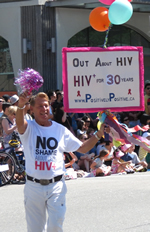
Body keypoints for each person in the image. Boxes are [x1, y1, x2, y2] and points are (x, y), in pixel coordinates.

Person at [16, 91, 106, 232]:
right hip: (33, 187)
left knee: (55, 226)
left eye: (46, 105)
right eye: (39, 106)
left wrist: (97, 135)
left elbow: (82, 148)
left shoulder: (59, 130)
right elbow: (20, 124)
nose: (44, 109)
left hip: (56, 186)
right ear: (32, 110)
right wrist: (21, 104)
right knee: (35, 229)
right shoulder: (29, 128)